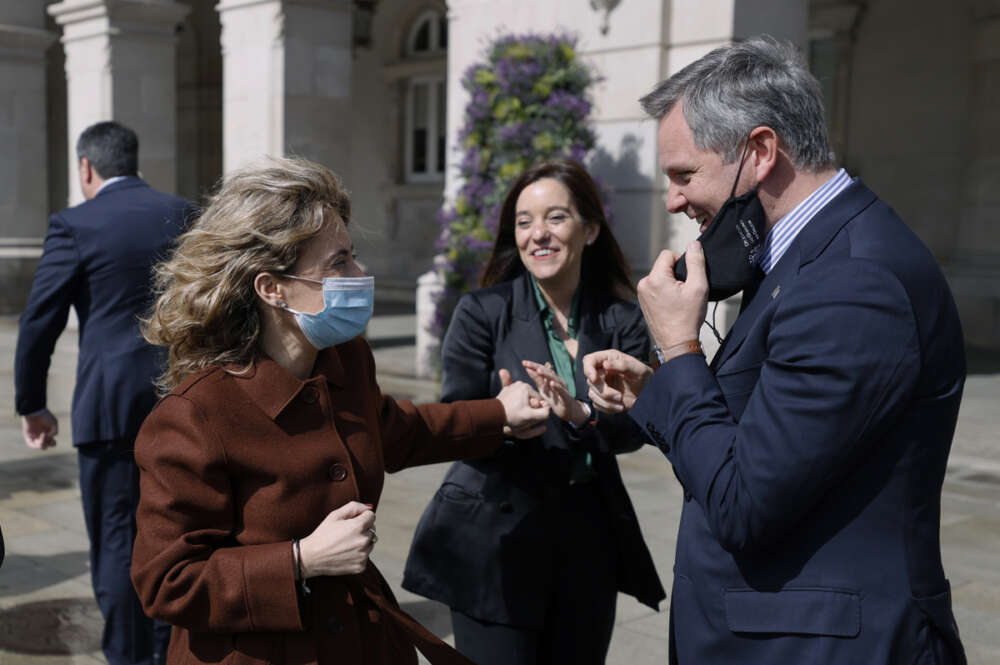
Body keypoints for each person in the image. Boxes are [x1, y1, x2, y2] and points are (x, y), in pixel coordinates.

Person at [585, 37, 967, 665]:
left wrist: (679, 348)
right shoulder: (806, 251)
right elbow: (766, 438)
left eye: (685, 175)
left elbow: (745, 502)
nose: (675, 200)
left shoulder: (852, 279)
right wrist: (657, 393)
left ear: (760, 151)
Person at [128, 157, 549, 665]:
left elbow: (395, 429)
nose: (360, 274)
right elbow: (166, 581)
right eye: (338, 263)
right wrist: (299, 561)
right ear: (271, 288)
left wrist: (499, 414)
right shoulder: (194, 415)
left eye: (353, 256)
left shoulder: (345, 360)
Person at [403, 160, 664, 665]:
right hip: (494, 539)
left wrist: (581, 415)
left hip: (588, 538)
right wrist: (500, 418)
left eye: (556, 218)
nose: (538, 234)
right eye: (524, 222)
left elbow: (639, 427)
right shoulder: (481, 312)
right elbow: (454, 418)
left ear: (590, 230)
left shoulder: (623, 319)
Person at [14, 121, 192, 665]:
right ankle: (167, 650)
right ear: (134, 162)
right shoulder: (185, 214)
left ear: (86, 168)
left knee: (117, 539)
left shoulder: (74, 223)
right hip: (181, 399)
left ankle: (129, 656)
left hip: (110, 406)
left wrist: (32, 404)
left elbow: (39, 321)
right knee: (174, 533)